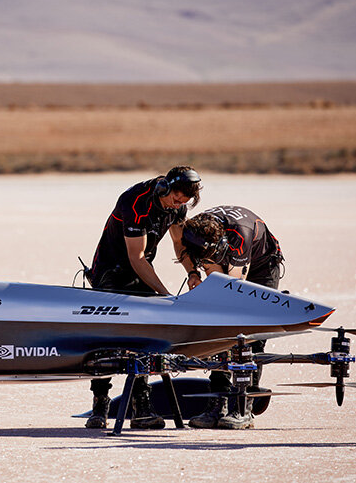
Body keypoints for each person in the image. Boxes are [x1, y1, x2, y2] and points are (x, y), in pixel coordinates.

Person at [84, 166, 203, 429]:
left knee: (143, 337)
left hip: (141, 269)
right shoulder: (135, 202)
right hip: (111, 270)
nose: (177, 205)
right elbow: (136, 258)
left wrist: (192, 272)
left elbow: (179, 243)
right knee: (106, 337)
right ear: (164, 188)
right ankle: (100, 405)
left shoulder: (177, 207)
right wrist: (166, 295)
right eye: (175, 199)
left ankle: (141, 407)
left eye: (182, 203)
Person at [179, 205, 284, 430]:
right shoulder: (193, 233)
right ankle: (217, 405)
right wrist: (196, 275)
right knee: (218, 332)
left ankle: (243, 408)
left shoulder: (240, 234)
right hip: (224, 253)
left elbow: (234, 290)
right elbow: (216, 282)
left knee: (251, 334)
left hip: (262, 268)